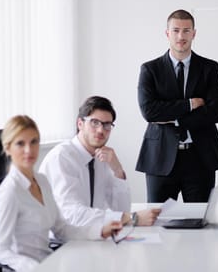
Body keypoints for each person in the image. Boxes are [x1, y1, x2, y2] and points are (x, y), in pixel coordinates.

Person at [0, 115, 122, 272]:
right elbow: (0, 251)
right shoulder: (9, 191)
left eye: (34, 142)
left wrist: (100, 231)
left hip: (51, 263)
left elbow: (62, 229)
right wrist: (33, 267)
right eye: (20, 143)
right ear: (8, 148)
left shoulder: (42, 181)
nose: (29, 150)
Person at [136, 9, 218, 202]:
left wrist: (172, 117)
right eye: (176, 30)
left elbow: (217, 112)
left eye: (186, 31)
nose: (181, 36)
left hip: (200, 157)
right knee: (158, 221)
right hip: (160, 157)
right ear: (167, 33)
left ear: (194, 33)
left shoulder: (209, 68)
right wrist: (189, 104)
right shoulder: (150, 69)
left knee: (198, 222)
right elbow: (150, 112)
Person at [39, 96, 160, 228]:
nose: (101, 130)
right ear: (80, 124)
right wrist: (132, 218)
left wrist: (118, 171)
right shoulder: (62, 158)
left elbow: (120, 209)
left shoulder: (101, 157)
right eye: (95, 122)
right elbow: (72, 215)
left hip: (91, 236)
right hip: (61, 242)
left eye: (107, 125)